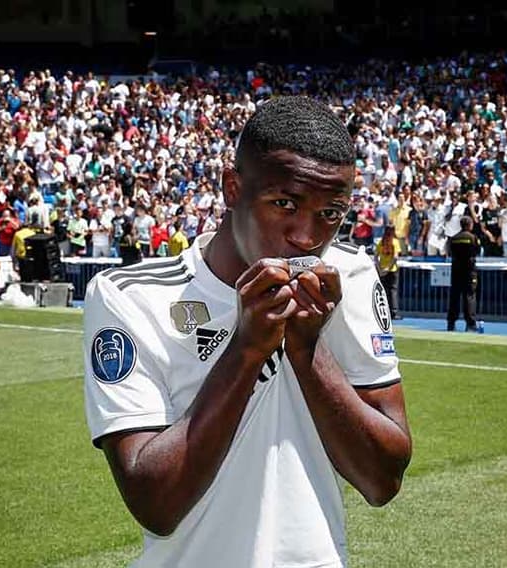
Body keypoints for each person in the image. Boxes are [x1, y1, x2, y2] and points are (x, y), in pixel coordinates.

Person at [83, 97, 411, 567]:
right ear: (232, 187)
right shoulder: (132, 296)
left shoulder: (351, 276)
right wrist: (248, 348)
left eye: (331, 213)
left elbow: (383, 481)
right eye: (285, 204)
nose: (307, 235)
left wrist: (306, 348)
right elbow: (155, 504)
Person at [447, 216, 479, 332]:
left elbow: (450, 252)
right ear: (470, 225)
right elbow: (477, 251)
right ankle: (470, 323)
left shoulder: (454, 238)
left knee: (454, 297)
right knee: (469, 296)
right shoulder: (472, 238)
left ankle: (451, 323)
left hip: (456, 270)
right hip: (469, 271)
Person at [375, 225, 402, 320]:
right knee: (393, 291)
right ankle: (394, 312)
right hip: (392, 269)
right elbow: (395, 257)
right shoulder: (395, 242)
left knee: (383, 291)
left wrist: (380, 269)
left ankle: (383, 311)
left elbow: (376, 257)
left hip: (382, 269)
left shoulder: (381, 242)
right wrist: (388, 268)